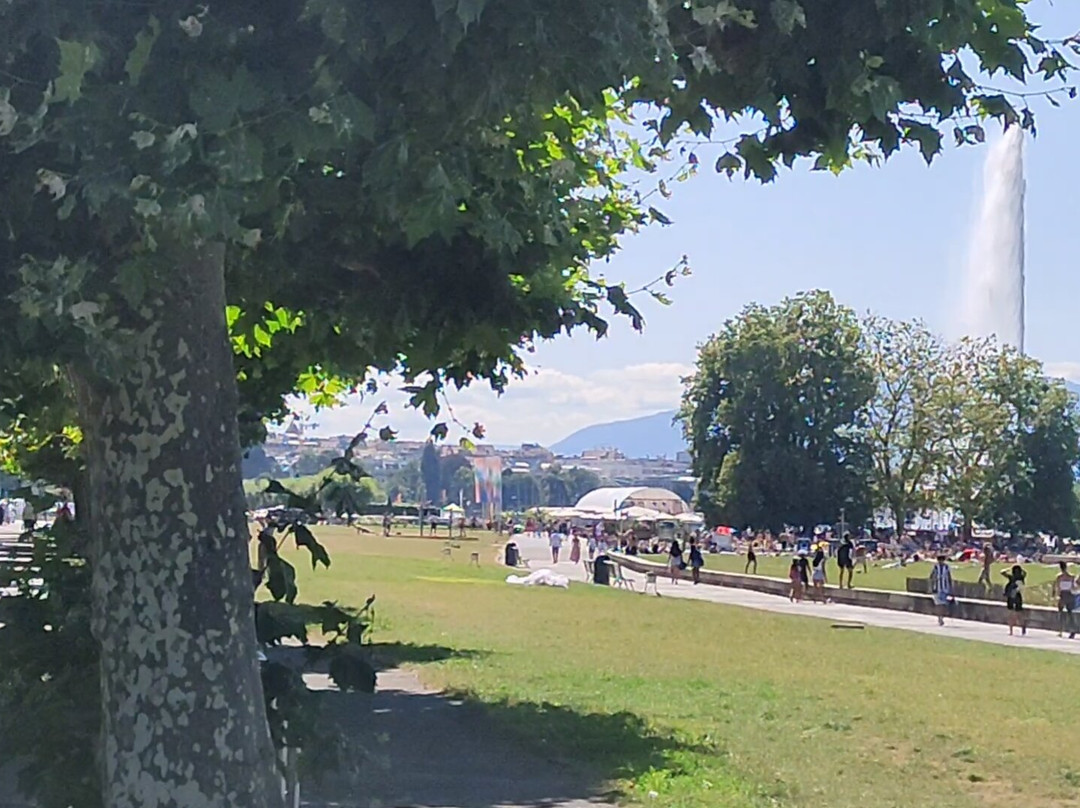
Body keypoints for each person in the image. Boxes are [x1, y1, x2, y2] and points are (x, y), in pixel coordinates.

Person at [1001, 564, 1027, 636]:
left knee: (1011, 613)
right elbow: (1025, 573)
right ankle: (1022, 627)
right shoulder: (1021, 578)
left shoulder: (1012, 577)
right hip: (1017, 596)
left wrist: (1009, 568)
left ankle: (1011, 630)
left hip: (1011, 596)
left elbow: (1002, 572)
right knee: (1019, 613)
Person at [929, 554, 953, 627]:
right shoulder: (936, 567)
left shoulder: (946, 567)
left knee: (943, 604)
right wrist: (932, 587)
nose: (941, 562)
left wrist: (951, 588)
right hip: (937, 588)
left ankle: (941, 616)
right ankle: (940, 617)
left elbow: (949, 577)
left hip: (945, 588)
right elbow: (931, 577)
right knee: (938, 604)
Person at [1055, 561, 1077, 639]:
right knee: (1070, 614)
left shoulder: (1059, 577)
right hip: (1070, 595)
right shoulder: (1071, 577)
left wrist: (1057, 596)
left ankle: (1060, 631)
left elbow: (1058, 588)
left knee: (1061, 613)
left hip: (1063, 595)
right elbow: (1073, 587)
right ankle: (1072, 629)